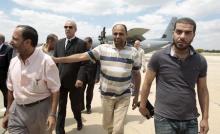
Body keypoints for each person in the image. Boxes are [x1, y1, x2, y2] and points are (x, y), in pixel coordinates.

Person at [53, 24, 141, 134]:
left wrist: (136, 95)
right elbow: (80, 57)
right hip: (106, 96)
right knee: (107, 125)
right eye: (115, 33)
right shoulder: (102, 49)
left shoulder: (133, 52)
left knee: (118, 130)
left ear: (126, 35)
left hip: (123, 96)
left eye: (121, 34)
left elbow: (137, 75)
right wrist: (57, 60)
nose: (118, 36)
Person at [139, 17, 209, 134]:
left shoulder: (200, 61)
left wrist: (205, 118)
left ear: (193, 35)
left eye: (187, 33)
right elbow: (147, 83)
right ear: (173, 33)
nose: (182, 36)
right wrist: (142, 105)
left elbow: (202, 90)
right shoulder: (158, 57)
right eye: (179, 31)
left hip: (191, 119)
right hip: (164, 119)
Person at [1, 25, 60, 134]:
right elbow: (10, 89)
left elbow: (55, 90)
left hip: (39, 111)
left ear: (27, 43)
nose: (11, 42)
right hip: (17, 111)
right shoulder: (14, 62)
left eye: (15, 39)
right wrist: (8, 112)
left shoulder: (46, 62)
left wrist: (52, 115)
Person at [54, 20, 87, 133]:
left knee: (75, 107)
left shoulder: (81, 44)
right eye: (65, 27)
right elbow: (55, 62)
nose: (67, 28)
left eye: (70, 27)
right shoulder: (58, 43)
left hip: (75, 84)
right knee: (61, 108)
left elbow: (84, 64)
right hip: (60, 82)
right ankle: (59, 130)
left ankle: (78, 120)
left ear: (75, 29)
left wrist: (80, 78)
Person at [81, 37, 100, 114]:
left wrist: (97, 76)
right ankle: (81, 107)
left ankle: (88, 107)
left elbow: (98, 65)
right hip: (83, 76)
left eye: (86, 44)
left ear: (90, 43)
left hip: (92, 76)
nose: (84, 45)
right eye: (84, 43)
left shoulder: (95, 53)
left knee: (89, 92)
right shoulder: (82, 52)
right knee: (80, 92)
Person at [0, 33, 13, 109]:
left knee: (6, 96)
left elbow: (10, 65)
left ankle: (8, 111)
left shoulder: (8, 49)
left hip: (3, 78)